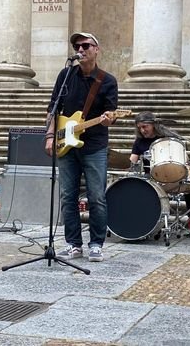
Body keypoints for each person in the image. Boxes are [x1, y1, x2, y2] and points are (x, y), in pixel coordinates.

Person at [45, 32, 118, 263]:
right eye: (77, 45)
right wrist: (49, 136)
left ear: (97, 49)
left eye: (86, 45)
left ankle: (96, 244)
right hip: (66, 144)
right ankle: (73, 244)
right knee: (68, 196)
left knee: (97, 197)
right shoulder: (66, 75)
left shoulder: (107, 81)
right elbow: (54, 108)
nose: (81, 49)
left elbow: (111, 114)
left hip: (94, 145)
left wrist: (109, 119)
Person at [129, 111, 190, 221]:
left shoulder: (168, 137)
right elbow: (132, 161)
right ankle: (152, 220)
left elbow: (185, 158)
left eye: (145, 127)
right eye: (139, 128)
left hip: (174, 175)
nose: (142, 130)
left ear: (153, 124)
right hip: (152, 180)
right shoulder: (139, 142)